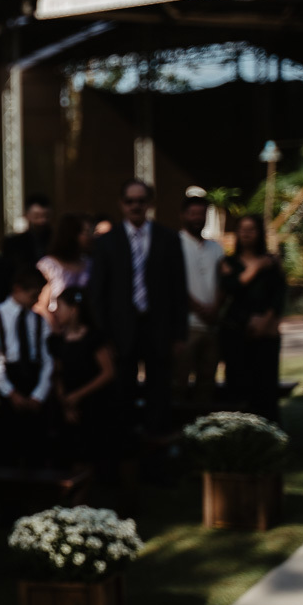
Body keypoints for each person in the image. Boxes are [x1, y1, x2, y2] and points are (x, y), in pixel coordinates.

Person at [88, 179, 187, 437]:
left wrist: (179, 334)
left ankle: (156, 462)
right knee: (123, 396)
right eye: (130, 201)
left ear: (149, 204)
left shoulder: (169, 239)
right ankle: (126, 461)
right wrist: (103, 336)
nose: (136, 206)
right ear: (122, 204)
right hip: (121, 330)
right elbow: (97, 294)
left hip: (158, 328)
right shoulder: (106, 242)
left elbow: (178, 289)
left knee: (159, 396)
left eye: (141, 201)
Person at [47, 287, 120, 481]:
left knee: (88, 455)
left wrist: (78, 396)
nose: (55, 311)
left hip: (92, 405)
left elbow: (108, 372)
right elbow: (58, 373)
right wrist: (65, 401)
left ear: (73, 310)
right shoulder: (56, 341)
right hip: (67, 405)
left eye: (59, 306)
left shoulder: (94, 338)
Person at [220, 215, 286, 422]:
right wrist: (255, 267)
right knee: (238, 385)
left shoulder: (272, 263)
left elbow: (279, 295)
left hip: (265, 333)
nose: (247, 233)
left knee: (265, 387)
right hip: (236, 332)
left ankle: (267, 434)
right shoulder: (228, 263)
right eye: (242, 229)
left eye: (252, 229)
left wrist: (265, 321)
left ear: (259, 233)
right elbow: (231, 287)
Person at [0, 266, 53, 468]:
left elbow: (47, 360)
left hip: (33, 383)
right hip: (7, 385)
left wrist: (39, 394)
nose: (37, 300)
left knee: (35, 447)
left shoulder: (39, 321)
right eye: (34, 294)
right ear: (17, 289)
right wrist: (10, 392)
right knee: (6, 447)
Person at [176, 195, 225, 404]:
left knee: (207, 384)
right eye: (193, 213)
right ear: (183, 215)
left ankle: (203, 431)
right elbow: (174, 283)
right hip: (186, 327)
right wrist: (198, 308)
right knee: (179, 383)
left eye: (201, 214)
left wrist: (214, 308)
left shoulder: (216, 248)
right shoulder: (174, 243)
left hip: (212, 327)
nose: (197, 218)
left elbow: (223, 282)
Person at [36, 212, 92, 328]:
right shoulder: (49, 266)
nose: (89, 237)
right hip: (54, 330)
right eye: (85, 232)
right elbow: (40, 305)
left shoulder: (89, 264)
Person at [1, 194, 52, 285]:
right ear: (27, 215)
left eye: (45, 216)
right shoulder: (13, 243)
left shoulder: (55, 240)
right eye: (37, 216)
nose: (41, 221)